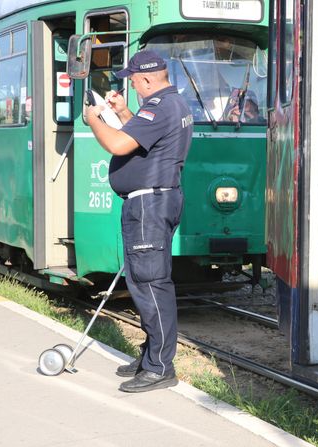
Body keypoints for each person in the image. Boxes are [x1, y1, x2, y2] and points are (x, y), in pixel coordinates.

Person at [84, 49, 193, 393]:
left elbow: (119, 144)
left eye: (132, 80)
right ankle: (150, 358)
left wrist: (94, 120)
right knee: (145, 281)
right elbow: (145, 137)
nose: (130, 84)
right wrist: (123, 112)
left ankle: (160, 367)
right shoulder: (169, 104)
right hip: (155, 201)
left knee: (150, 284)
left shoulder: (161, 107)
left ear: (147, 79)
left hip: (149, 205)